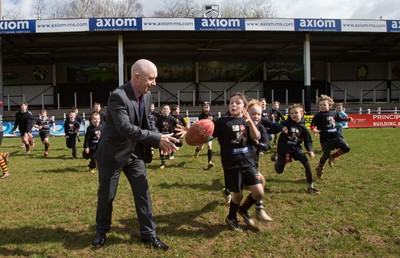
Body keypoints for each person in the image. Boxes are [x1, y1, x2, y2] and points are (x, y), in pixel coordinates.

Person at [92, 59, 178, 250]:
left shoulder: (146, 96)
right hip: (112, 154)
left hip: (135, 153)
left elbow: (147, 119)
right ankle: (101, 230)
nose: (154, 83)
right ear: (137, 77)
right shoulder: (117, 96)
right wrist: (156, 139)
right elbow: (125, 128)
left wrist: (160, 136)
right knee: (107, 195)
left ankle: (148, 234)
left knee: (143, 192)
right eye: (151, 78)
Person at [178, 92, 272, 231]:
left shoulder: (248, 121)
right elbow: (209, 136)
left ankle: (244, 209)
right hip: (232, 165)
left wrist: (250, 122)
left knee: (258, 191)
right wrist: (192, 132)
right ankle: (231, 217)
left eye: (238, 103)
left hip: (248, 163)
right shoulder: (222, 122)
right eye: (231, 102)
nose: (233, 105)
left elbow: (256, 136)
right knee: (237, 195)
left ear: (244, 107)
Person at [274, 103, 319, 194]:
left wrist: (310, 150)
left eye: (296, 113)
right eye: (291, 113)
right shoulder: (285, 123)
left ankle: (310, 187)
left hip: (296, 150)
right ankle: (276, 160)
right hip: (283, 150)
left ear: (302, 114)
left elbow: (308, 141)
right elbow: (275, 126)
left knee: (307, 164)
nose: (293, 115)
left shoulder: (303, 128)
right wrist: (281, 127)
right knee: (279, 171)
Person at [311, 95, 353, 179]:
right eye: (320, 105)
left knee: (346, 148)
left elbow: (339, 119)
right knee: (325, 154)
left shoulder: (334, 113)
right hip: (325, 139)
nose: (322, 106)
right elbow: (312, 125)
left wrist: (347, 120)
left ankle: (333, 156)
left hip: (336, 136)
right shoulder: (318, 116)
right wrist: (314, 130)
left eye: (324, 105)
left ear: (329, 105)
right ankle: (320, 167)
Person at [246, 99, 273, 221]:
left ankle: (259, 210)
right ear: (246, 113)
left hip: (252, 164)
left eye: (259, 114)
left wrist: (259, 144)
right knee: (236, 191)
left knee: (260, 182)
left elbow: (267, 145)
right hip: (237, 164)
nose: (256, 116)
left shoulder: (261, 129)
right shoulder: (241, 126)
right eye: (253, 113)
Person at [193, 101, 215, 169]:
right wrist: (207, 121)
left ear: (210, 108)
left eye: (207, 107)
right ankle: (196, 151)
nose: (206, 109)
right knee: (201, 147)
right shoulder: (201, 116)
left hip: (209, 134)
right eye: (204, 107)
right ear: (202, 108)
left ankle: (209, 162)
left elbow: (214, 124)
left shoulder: (212, 115)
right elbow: (201, 125)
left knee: (209, 145)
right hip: (202, 134)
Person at [155, 104, 178, 168]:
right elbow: (156, 127)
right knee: (161, 150)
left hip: (170, 136)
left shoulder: (172, 118)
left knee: (169, 148)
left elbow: (177, 126)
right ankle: (163, 163)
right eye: (164, 109)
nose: (166, 110)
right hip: (162, 136)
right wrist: (159, 134)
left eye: (167, 109)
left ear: (170, 110)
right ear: (161, 111)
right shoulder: (159, 119)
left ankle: (170, 154)